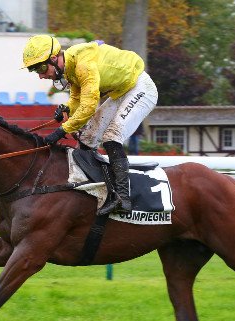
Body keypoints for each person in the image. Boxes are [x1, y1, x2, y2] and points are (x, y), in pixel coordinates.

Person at [22, 35, 158, 215]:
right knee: (87, 138)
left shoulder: (83, 65)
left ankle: (123, 199)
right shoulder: (70, 65)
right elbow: (77, 98)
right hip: (121, 91)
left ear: (54, 59)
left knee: (111, 138)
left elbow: (89, 106)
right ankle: (95, 190)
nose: (41, 75)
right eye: (35, 70)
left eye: (41, 68)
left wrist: (62, 130)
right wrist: (67, 108)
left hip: (141, 88)